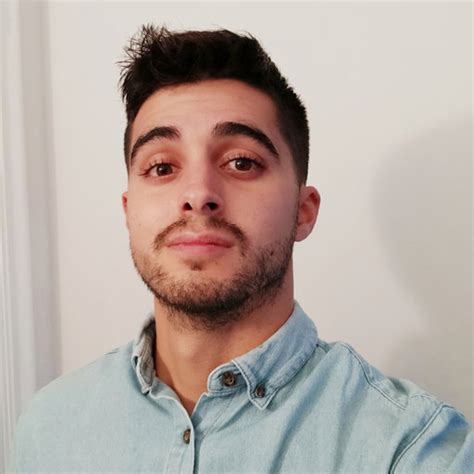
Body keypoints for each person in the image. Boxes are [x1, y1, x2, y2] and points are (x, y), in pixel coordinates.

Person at [9, 24, 473, 473]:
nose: (198, 193)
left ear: (303, 211)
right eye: (162, 167)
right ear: (129, 212)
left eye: (241, 162)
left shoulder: (410, 449)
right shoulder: (50, 429)